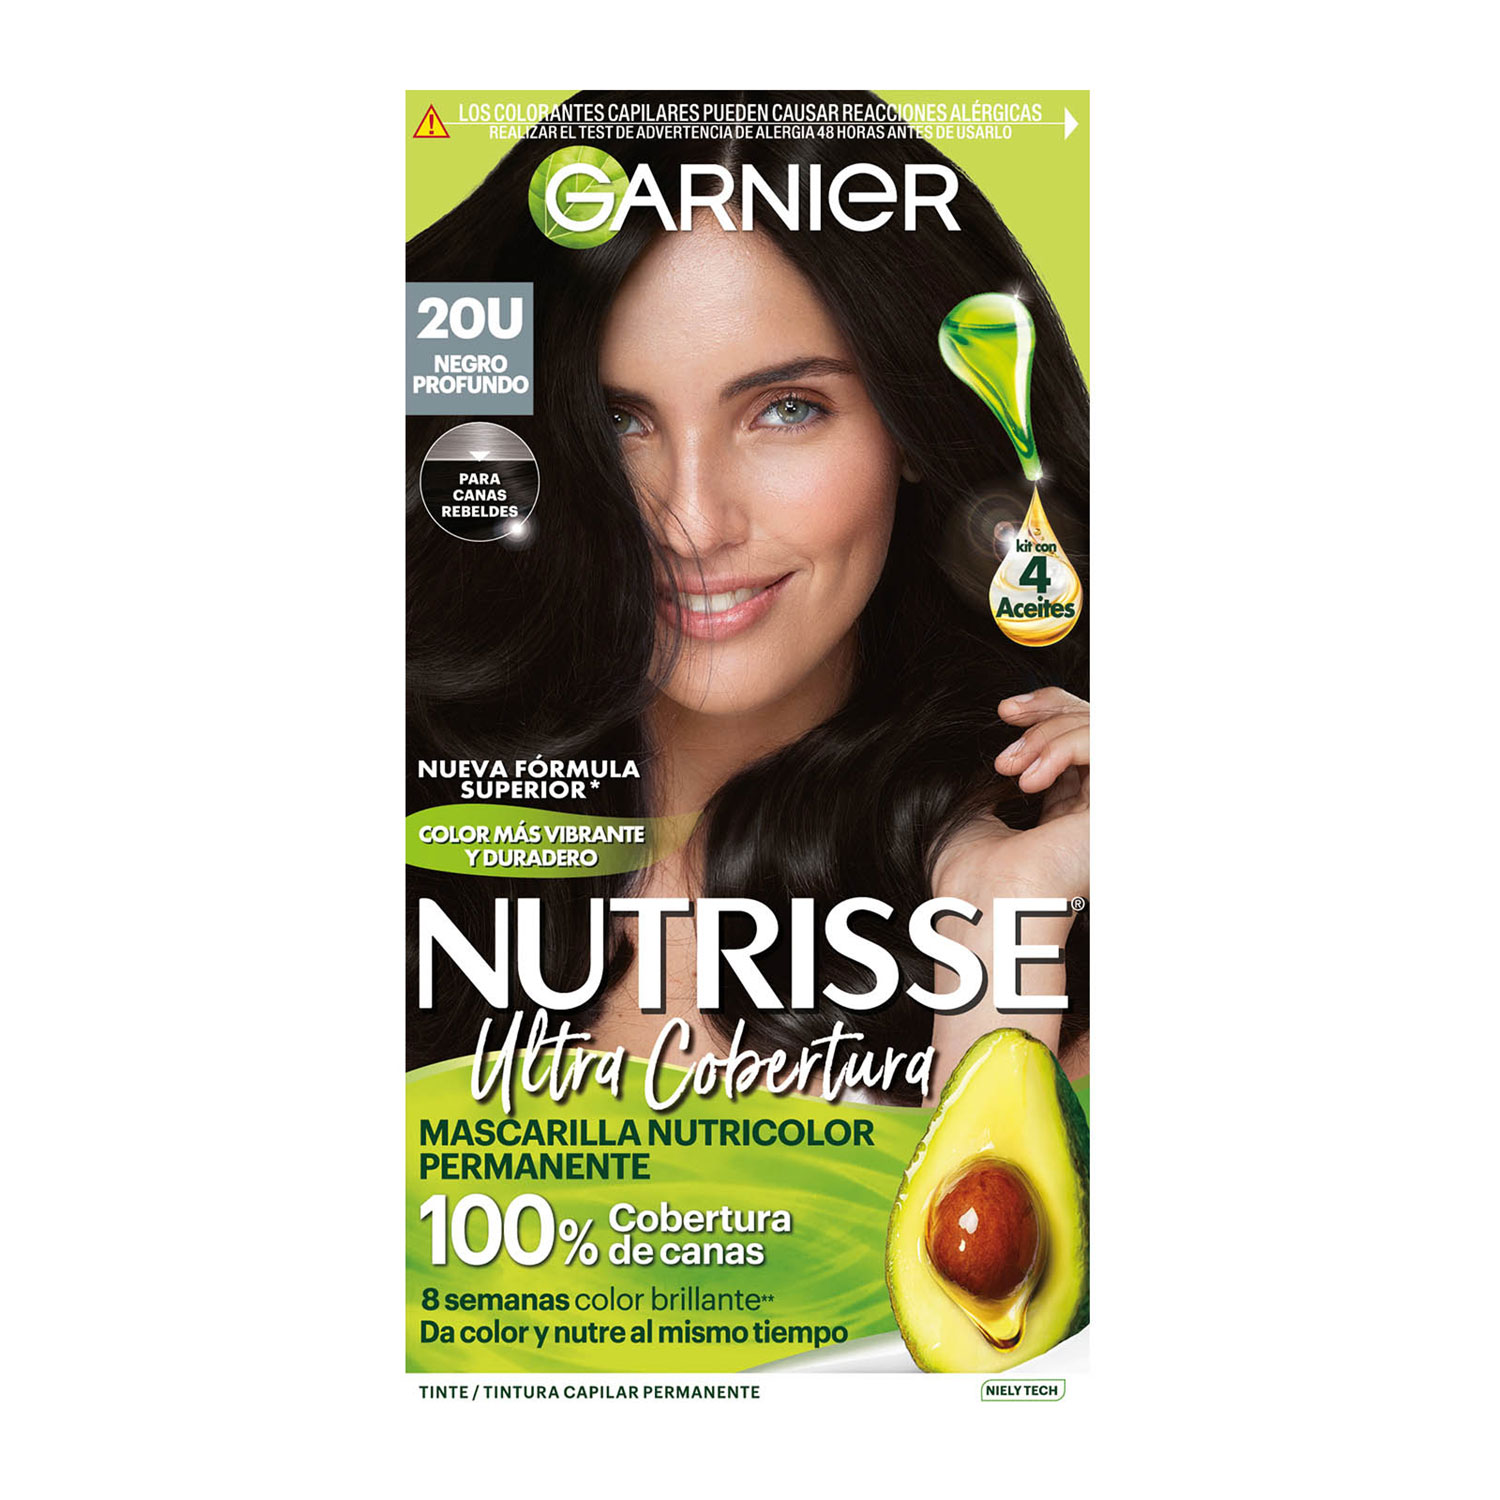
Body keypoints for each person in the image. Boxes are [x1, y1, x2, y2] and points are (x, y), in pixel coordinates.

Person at [407, 90, 1089, 1105]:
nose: (693, 520)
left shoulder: (1076, 903)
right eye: (617, 419)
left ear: (911, 420)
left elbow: (999, 1219)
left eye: (787, 408)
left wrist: (1006, 932)